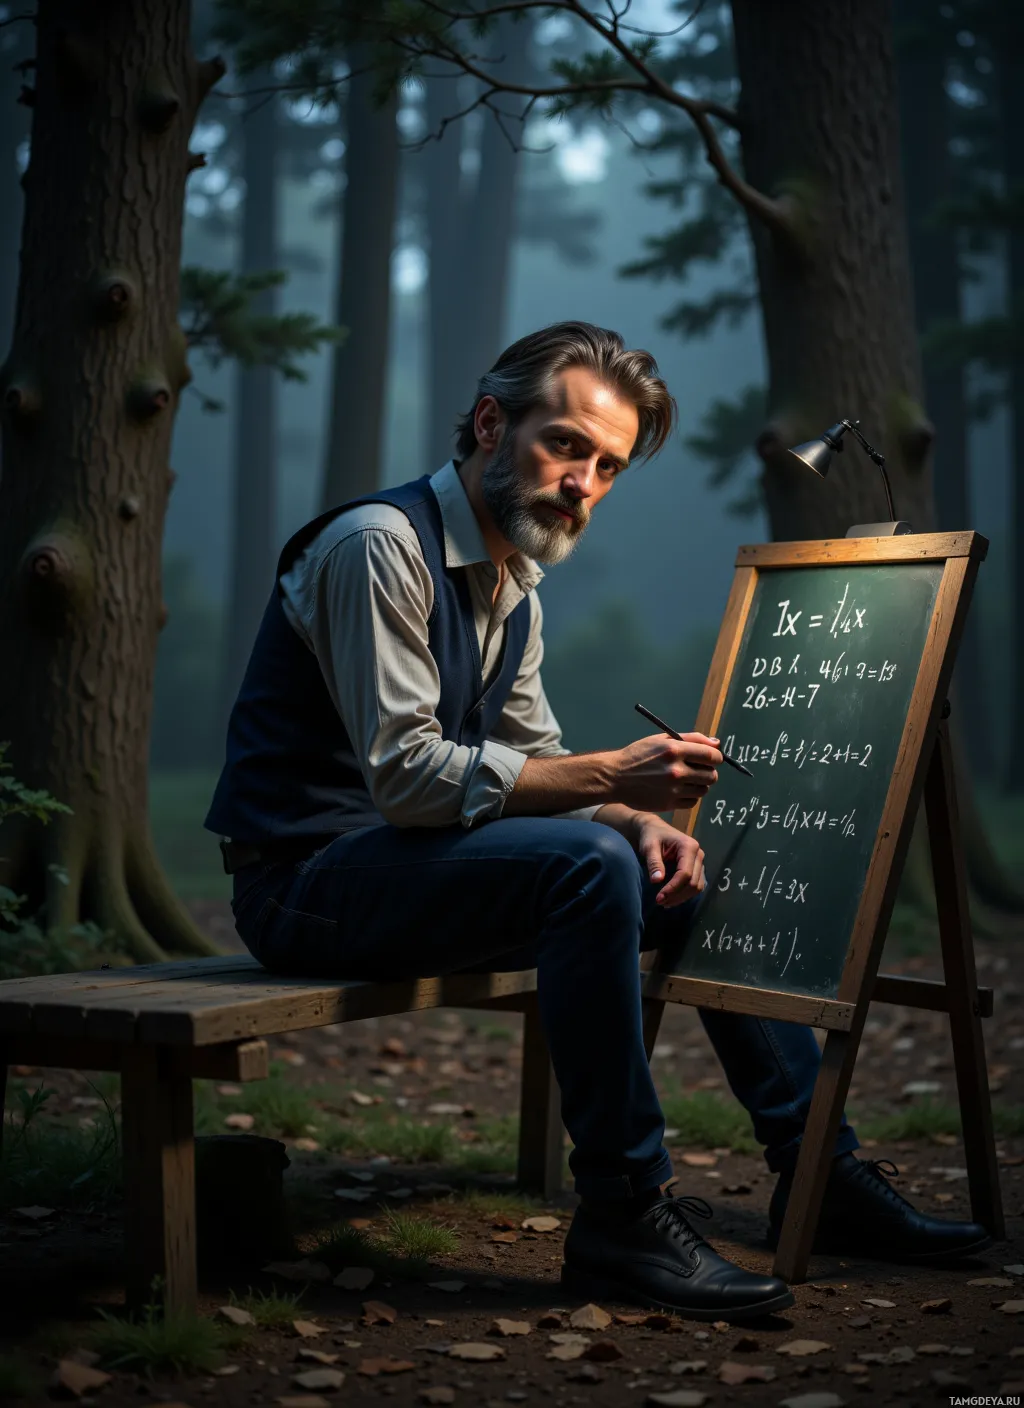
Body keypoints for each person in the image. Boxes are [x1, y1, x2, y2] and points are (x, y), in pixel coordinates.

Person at [206, 321, 990, 1322]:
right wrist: (614, 786)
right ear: (491, 424)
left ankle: (818, 1172)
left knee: (677, 868)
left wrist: (636, 819)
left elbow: (534, 758)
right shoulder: (377, 546)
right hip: (302, 885)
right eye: (564, 444)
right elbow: (407, 777)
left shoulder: (514, 586)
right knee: (585, 863)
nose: (583, 481)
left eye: (607, 465)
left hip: (404, 867)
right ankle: (623, 1212)